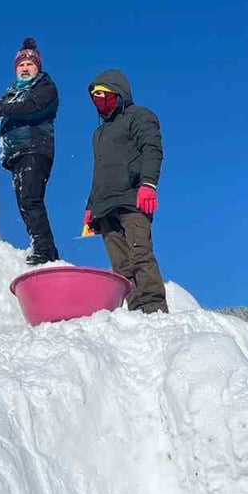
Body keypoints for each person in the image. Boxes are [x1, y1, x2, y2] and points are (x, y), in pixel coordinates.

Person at [0, 37, 61, 264]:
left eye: (30, 64)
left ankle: (45, 251)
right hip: (17, 153)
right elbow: (1, 108)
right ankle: (41, 247)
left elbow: (29, 108)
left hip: (35, 149)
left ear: (38, 67)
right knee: (25, 202)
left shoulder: (44, 87)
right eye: (21, 65)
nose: (25, 68)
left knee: (31, 199)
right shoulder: (13, 92)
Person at [84, 70, 169, 314]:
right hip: (104, 206)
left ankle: (155, 311)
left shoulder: (138, 116)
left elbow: (152, 148)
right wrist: (91, 206)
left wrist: (148, 184)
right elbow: (99, 171)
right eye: (96, 98)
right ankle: (136, 313)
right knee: (120, 266)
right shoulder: (98, 133)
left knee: (140, 254)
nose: (100, 102)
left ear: (119, 94)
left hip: (132, 199)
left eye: (105, 96)